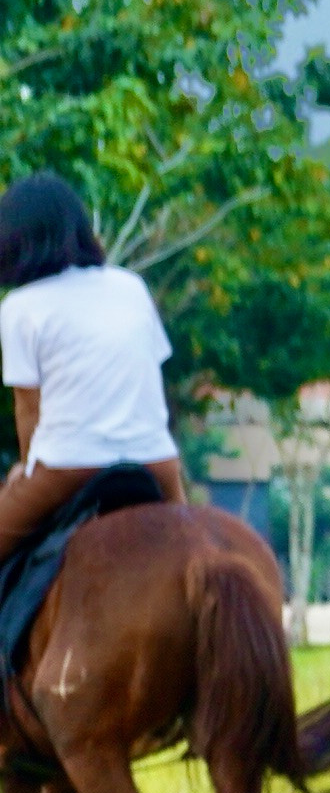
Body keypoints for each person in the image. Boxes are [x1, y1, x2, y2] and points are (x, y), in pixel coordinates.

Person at [0, 174, 189, 573]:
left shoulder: (20, 307)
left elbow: (29, 411)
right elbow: (151, 372)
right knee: (195, 544)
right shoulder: (130, 286)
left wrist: (27, 466)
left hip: (69, 465)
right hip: (156, 460)